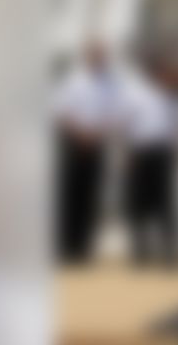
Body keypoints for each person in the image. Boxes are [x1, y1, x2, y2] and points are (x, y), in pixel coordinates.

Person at [54, 42, 118, 264]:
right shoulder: (73, 82)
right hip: (73, 143)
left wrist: (97, 135)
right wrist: (80, 135)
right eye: (96, 54)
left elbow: (113, 113)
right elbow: (62, 113)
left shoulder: (111, 84)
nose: (100, 58)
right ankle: (64, 246)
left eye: (103, 55)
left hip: (97, 144)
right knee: (69, 195)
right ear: (87, 56)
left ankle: (83, 248)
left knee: (91, 196)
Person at [121, 48, 178, 267]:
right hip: (141, 152)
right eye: (155, 69)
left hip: (164, 154)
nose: (159, 73)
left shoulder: (173, 95)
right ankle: (141, 252)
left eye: (161, 69)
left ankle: (169, 253)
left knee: (166, 204)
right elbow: (126, 125)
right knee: (139, 204)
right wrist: (127, 154)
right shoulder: (134, 93)